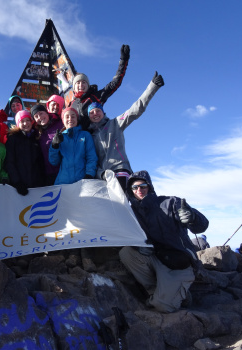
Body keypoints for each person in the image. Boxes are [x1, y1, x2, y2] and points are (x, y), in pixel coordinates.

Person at [119, 170, 209, 313]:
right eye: (134, 187)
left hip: (179, 263)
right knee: (127, 253)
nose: (139, 190)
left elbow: (202, 225)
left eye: (142, 186)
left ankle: (172, 296)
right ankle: (156, 292)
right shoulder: (131, 212)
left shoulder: (171, 202)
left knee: (163, 307)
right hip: (156, 258)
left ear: (150, 186)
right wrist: (137, 247)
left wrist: (192, 218)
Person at [89, 72, 165, 191]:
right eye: (91, 112)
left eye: (98, 110)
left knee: (121, 205)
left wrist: (152, 87)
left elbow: (135, 110)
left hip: (120, 170)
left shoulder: (115, 123)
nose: (95, 114)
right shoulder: (91, 136)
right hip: (104, 177)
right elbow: (93, 160)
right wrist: (101, 174)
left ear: (103, 112)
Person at [69, 44, 130, 130]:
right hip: (77, 140)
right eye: (77, 83)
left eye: (84, 82)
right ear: (74, 87)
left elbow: (115, 83)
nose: (81, 85)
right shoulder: (71, 104)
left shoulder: (95, 96)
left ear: (88, 85)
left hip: (96, 138)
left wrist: (123, 61)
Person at [48, 107, 97, 185]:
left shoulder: (85, 135)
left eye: (73, 116)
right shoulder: (59, 137)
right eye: (67, 117)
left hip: (82, 181)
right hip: (63, 182)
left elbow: (91, 157)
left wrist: (90, 174)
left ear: (77, 119)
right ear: (63, 121)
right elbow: (54, 162)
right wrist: (54, 146)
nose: (70, 119)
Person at [5, 110, 45, 195]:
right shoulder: (13, 139)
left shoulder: (36, 138)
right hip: (19, 186)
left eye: (28, 120)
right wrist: (17, 182)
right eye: (22, 121)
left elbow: (40, 163)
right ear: (18, 124)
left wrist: (41, 181)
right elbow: (10, 162)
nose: (25, 123)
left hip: (36, 185)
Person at [31, 104, 64, 186]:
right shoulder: (36, 132)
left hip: (63, 170)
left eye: (41, 113)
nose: (40, 117)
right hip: (47, 174)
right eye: (36, 116)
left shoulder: (60, 124)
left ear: (46, 112)